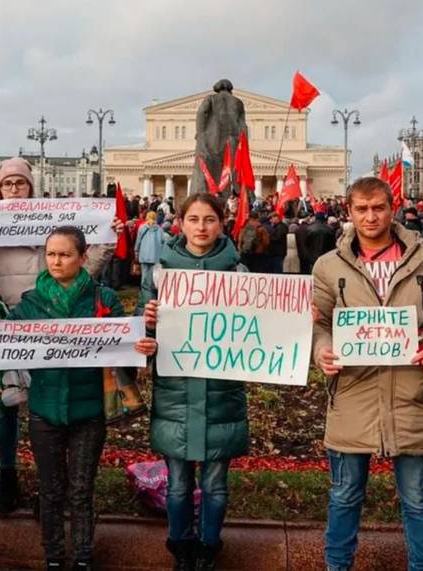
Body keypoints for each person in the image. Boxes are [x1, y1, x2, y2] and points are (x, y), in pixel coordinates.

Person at [312, 177, 423, 571]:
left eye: (378, 208)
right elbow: (316, 322)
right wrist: (321, 350)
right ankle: (337, 567)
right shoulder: (329, 267)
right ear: (348, 211)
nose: (370, 217)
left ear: (392, 208)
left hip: (412, 399)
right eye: (362, 209)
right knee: (344, 496)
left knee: (418, 501)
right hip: (352, 398)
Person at [0, 226, 156, 570]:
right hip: (44, 411)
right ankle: (54, 557)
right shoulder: (32, 302)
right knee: (52, 489)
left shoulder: (105, 300)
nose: (56, 261)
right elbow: (7, 340)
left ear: (83, 258)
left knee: (81, 490)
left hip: (89, 412)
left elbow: (126, 352)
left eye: (65, 254)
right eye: (51, 254)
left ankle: (83, 557)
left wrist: (141, 348)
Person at [0, 157, 122, 514]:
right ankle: (8, 477)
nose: (14, 190)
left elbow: (85, 264)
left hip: (53, 324)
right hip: (11, 320)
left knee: (47, 413)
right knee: (6, 406)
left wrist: (108, 238)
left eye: (20, 184)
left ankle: (49, 489)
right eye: (7, 185)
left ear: (31, 188)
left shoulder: (54, 224)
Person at [139, 193, 249, 571]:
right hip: (176, 390)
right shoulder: (159, 272)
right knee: (178, 484)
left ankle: (208, 548)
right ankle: (180, 545)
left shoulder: (238, 272)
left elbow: (261, 329)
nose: (201, 227)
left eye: (209, 220)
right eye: (194, 219)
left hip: (221, 390)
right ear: (180, 223)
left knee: (216, 485)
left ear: (222, 224)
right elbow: (143, 334)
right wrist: (148, 320)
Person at [135, 210, 165, 292]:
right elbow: (163, 241)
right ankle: (152, 290)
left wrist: (136, 250)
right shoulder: (159, 229)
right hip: (155, 254)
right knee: (153, 274)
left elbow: (138, 240)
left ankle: (144, 290)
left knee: (144, 274)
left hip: (144, 254)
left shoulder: (142, 227)